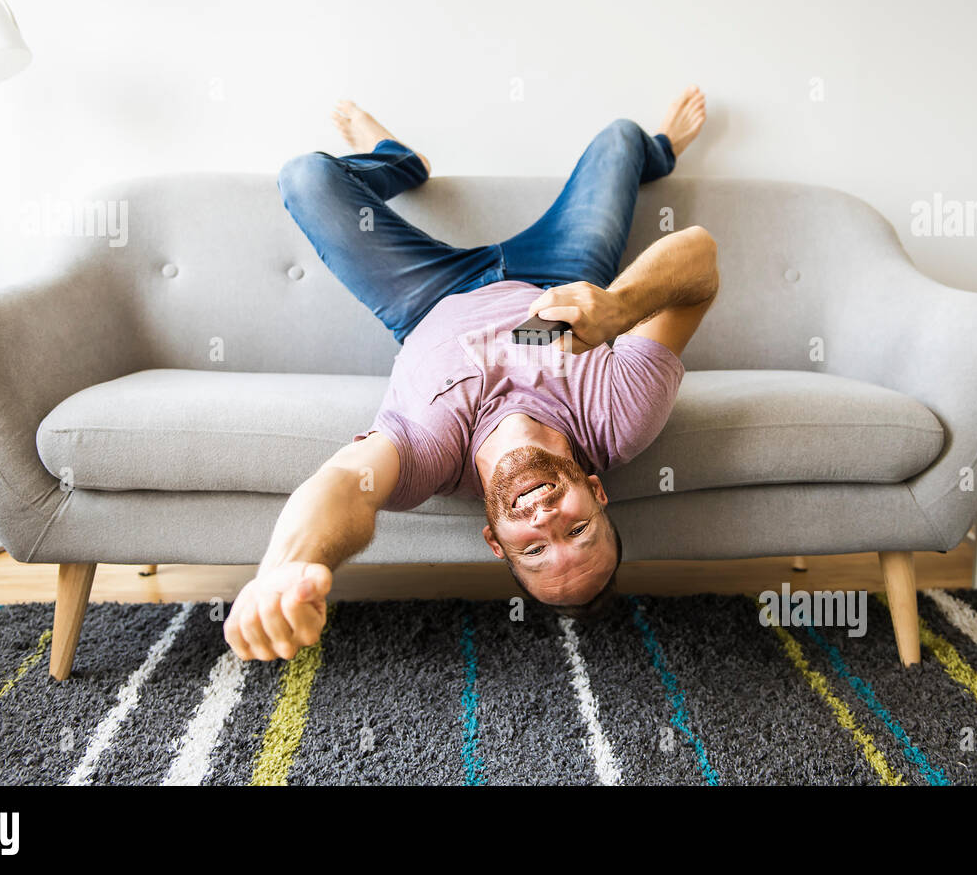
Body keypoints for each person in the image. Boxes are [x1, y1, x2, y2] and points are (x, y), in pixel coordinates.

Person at [224, 87, 718, 661]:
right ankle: (662, 149)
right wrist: (621, 308)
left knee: (306, 177)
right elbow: (700, 256)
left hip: (427, 296)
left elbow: (343, 485)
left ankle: (398, 158)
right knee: (620, 137)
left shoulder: (430, 454)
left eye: (533, 550)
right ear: (598, 493)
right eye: (576, 531)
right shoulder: (615, 418)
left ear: (495, 540)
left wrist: (285, 566)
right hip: (555, 275)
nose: (544, 521)